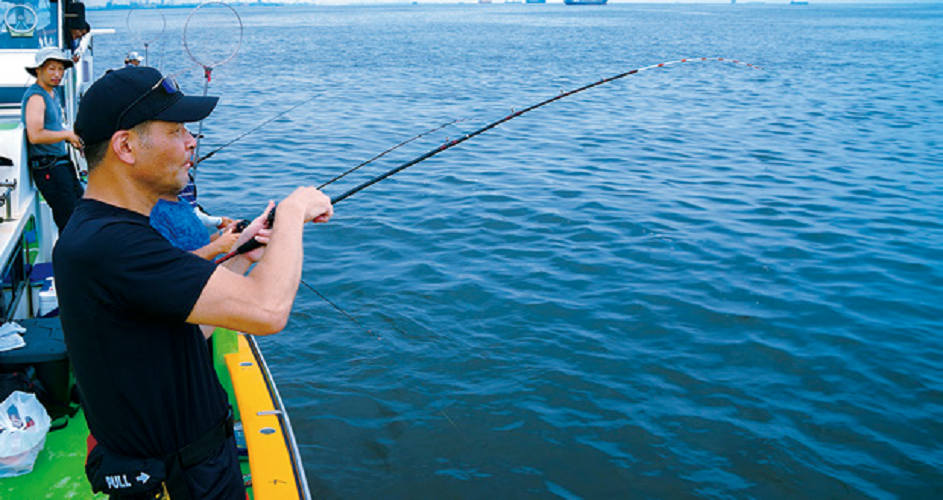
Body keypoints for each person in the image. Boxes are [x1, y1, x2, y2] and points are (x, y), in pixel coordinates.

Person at [53, 66, 333, 499]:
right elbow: (268, 311)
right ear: (125, 146)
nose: (191, 141)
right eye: (176, 130)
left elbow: (173, 333)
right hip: (181, 481)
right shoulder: (112, 245)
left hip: (192, 469)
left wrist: (242, 257)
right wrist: (295, 209)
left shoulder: (110, 232)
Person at [21, 46, 85, 232]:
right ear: (38, 70)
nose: (58, 74)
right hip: (48, 167)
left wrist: (71, 138)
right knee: (68, 221)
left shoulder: (52, 93)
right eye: (51, 68)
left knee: (79, 212)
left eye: (61, 69)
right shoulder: (36, 97)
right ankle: (68, 260)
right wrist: (66, 135)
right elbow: (35, 135)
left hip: (61, 163)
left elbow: (52, 128)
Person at [150, 194, 239, 261]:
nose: (189, 168)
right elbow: (169, 266)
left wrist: (223, 234)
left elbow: (198, 245)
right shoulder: (151, 214)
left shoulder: (183, 203)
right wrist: (217, 247)